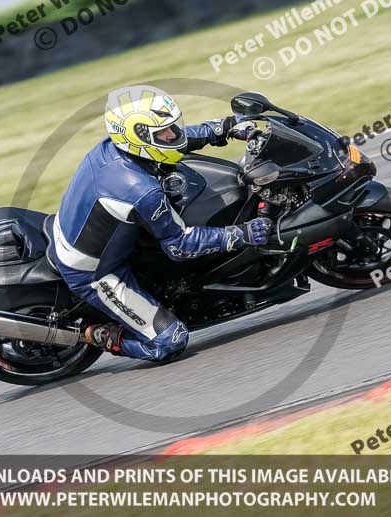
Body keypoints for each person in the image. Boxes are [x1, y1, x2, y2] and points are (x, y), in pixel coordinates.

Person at [48, 85, 271, 363]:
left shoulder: (114, 147)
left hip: (84, 233)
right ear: (139, 137)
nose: (172, 134)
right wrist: (241, 234)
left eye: (172, 127)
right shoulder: (140, 190)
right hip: (95, 274)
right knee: (171, 341)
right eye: (164, 131)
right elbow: (180, 245)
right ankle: (98, 335)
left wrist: (222, 128)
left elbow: (173, 142)